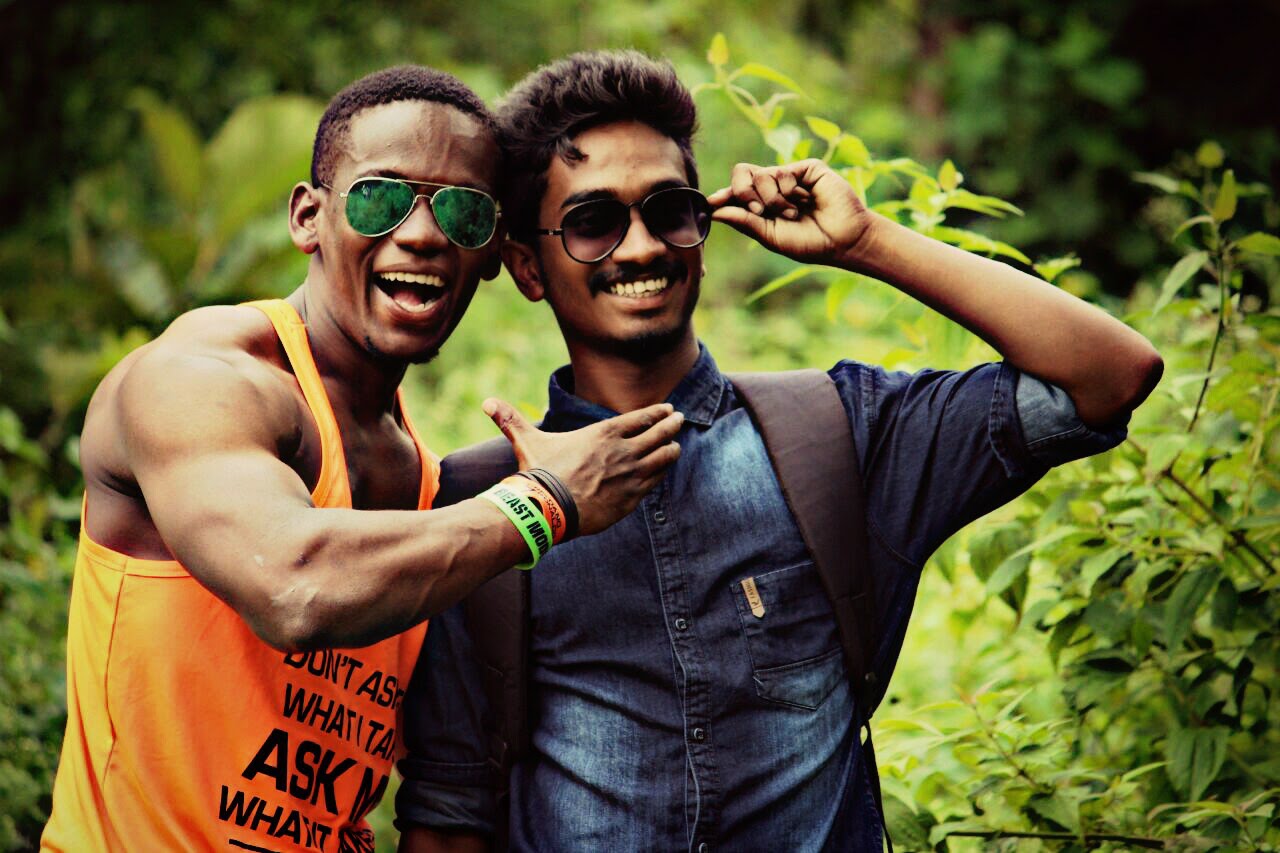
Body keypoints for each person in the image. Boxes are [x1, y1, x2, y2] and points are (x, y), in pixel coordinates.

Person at [394, 50, 1163, 852]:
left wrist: (866, 241)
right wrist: (536, 507)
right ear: (527, 267)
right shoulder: (486, 504)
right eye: (593, 223)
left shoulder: (839, 436)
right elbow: (449, 813)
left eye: (670, 210)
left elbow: (1112, 375)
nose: (643, 247)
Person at [40, 64, 685, 852]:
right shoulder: (199, 379)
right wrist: (543, 502)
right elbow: (294, 586)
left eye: (463, 212)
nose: (423, 234)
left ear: (493, 254)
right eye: (381, 199)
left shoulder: (430, 483)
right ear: (308, 217)